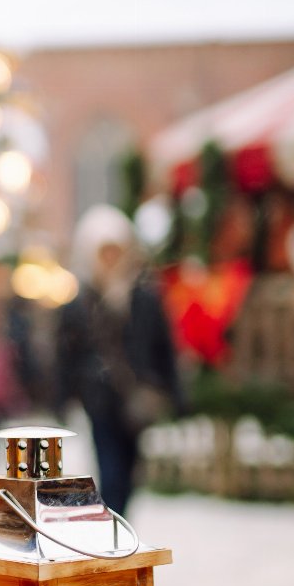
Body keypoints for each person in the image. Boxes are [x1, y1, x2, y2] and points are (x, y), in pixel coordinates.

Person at [57, 204, 181, 516]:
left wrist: (173, 391)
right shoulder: (81, 303)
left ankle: (119, 522)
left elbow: (162, 346)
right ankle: (112, 523)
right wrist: (65, 395)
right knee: (109, 468)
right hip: (99, 398)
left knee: (129, 471)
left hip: (136, 396)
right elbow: (66, 354)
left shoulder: (143, 297)